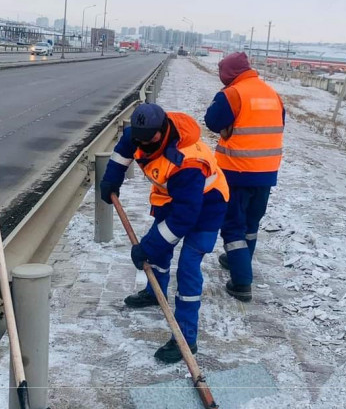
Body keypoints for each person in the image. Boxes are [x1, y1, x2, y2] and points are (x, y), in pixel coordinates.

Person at [99, 103, 229, 363]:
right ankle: (154, 292)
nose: (144, 144)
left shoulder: (188, 162)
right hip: (172, 199)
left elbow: (184, 219)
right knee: (158, 251)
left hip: (208, 206)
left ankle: (186, 339)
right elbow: (122, 152)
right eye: (139, 138)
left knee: (188, 268)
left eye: (150, 139)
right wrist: (111, 179)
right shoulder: (139, 133)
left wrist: (147, 246)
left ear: (162, 130)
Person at [204, 52, 285, 302]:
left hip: (236, 172)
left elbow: (212, 121)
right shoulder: (272, 93)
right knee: (251, 223)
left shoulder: (232, 94)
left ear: (228, 73)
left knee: (233, 227)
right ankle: (240, 261)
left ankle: (241, 282)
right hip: (266, 172)